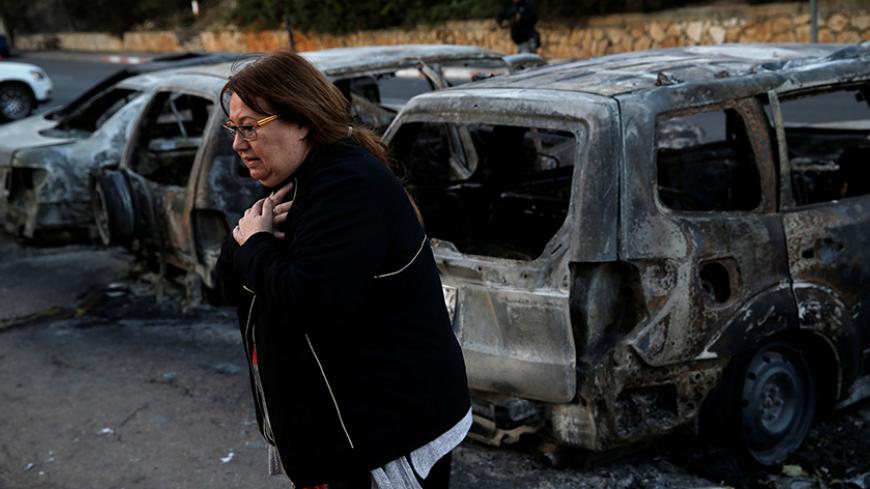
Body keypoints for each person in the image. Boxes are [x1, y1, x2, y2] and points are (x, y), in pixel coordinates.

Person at [215, 51, 471, 489]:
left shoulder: (349, 189)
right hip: (338, 438)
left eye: (249, 127)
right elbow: (226, 282)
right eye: (232, 128)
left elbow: (310, 302)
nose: (237, 144)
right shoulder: (293, 183)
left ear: (302, 120)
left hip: (383, 439)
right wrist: (252, 242)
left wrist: (255, 245)